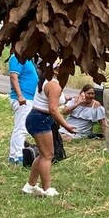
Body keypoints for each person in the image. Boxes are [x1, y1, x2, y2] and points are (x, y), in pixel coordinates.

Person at [21, 60, 76, 197]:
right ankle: (47, 189)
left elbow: (51, 101)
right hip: (41, 119)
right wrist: (66, 125)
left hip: (37, 118)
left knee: (43, 154)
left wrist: (66, 99)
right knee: (48, 155)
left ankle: (30, 185)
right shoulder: (54, 85)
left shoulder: (47, 81)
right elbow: (53, 109)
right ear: (57, 70)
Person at [8, 53, 39, 164]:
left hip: (28, 97)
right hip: (22, 98)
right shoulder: (17, 57)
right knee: (20, 128)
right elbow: (13, 77)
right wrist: (20, 95)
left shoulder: (27, 58)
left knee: (22, 128)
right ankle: (16, 156)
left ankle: (16, 154)